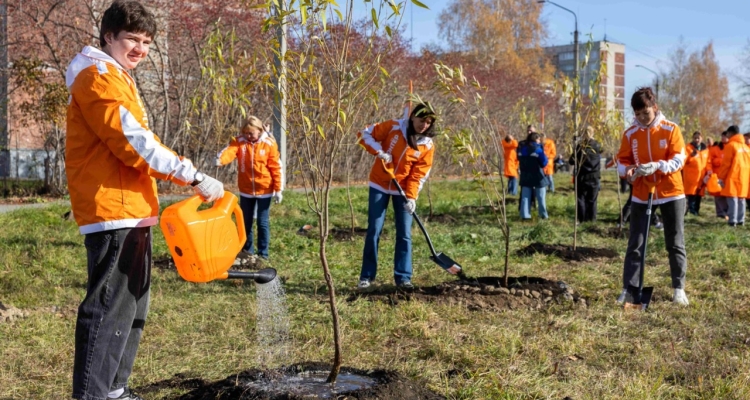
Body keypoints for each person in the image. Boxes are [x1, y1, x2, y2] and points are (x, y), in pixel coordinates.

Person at [65, 1, 225, 399]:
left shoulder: (116, 75)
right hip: (112, 211)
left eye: (147, 42)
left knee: (131, 309)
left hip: (132, 210)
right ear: (108, 37)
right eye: (131, 39)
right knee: (107, 311)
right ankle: (95, 395)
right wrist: (193, 175)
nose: (140, 49)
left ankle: (114, 390)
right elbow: (133, 142)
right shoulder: (98, 77)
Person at [615, 87, 689, 306]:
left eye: (645, 113)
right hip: (640, 193)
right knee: (636, 243)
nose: (641, 118)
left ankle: (679, 288)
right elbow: (622, 160)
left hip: (671, 193)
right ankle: (629, 289)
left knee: (674, 241)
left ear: (654, 108)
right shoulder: (630, 134)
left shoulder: (671, 129)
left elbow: (679, 159)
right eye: (637, 114)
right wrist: (625, 170)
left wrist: (657, 165)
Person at [356, 103, 436, 290]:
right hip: (380, 184)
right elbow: (364, 134)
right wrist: (380, 151)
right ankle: (366, 276)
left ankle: (403, 278)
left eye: (428, 122)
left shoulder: (427, 145)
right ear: (412, 117)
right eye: (421, 120)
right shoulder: (393, 127)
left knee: (405, 234)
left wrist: (411, 198)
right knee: (374, 230)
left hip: (403, 190)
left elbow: (418, 174)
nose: (423, 125)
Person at [216, 116, 283, 260]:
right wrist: (220, 160)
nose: (248, 136)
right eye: (246, 132)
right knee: (245, 221)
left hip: (264, 189)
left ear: (259, 131)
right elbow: (229, 152)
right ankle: (248, 251)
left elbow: (276, 167)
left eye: (251, 133)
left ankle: (263, 254)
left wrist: (278, 189)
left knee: (262, 222)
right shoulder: (239, 142)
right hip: (246, 190)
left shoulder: (269, 144)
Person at [716, 125, 750, 227]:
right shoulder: (746, 147)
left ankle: (732, 220)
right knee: (741, 198)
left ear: (731, 133)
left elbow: (726, 164)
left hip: (733, 175)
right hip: (744, 177)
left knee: (732, 198)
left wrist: (721, 177)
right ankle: (741, 220)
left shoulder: (730, 146)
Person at [569, 126, 602, 222]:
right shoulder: (598, 145)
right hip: (595, 175)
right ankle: (592, 220)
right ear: (593, 133)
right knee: (592, 199)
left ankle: (582, 219)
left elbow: (571, 161)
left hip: (582, 176)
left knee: (581, 198)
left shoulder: (580, 146)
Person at [518, 131, 549, 220]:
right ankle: (543, 215)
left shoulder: (522, 148)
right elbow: (544, 163)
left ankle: (524, 215)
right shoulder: (538, 149)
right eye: (539, 139)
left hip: (525, 176)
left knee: (525, 197)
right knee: (541, 197)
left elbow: (518, 158)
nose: (540, 141)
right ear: (536, 139)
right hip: (538, 176)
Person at [682, 131, 709, 216]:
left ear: (702, 138)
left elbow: (708, 162)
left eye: (698, 138)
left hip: (701, 177)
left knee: (699, 195)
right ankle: (691, 211)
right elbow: (683, 161)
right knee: (691, 195)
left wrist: (708, 172)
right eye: (695, 138)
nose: (697, 140)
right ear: (693, 138)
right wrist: (691, 156)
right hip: (691, 177)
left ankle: (696, 211)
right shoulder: (688, 148)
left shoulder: (705, 150)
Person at [707, 131, 729, 219]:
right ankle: (720, 213)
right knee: (718, 195)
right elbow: (709, 161)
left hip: (728, 175)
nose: (724, 138)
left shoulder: (732, 148)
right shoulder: (715, 149)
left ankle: (728, 212)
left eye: (726, 136)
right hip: (717, 175)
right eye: (722, 136)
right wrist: (709, 171)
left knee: (728, 194)